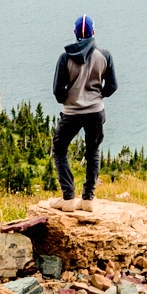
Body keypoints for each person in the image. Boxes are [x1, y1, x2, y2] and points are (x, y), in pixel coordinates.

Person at [51, 14, 117, 208]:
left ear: (74, 33)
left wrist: (68, 99)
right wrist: (98, 96)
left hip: (71, 112)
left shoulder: (65, 58)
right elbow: (112, 86)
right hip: (95, 111)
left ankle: (68, 197)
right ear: (93, 32)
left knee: (60, 149)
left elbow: (57, 90)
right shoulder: (104, 56)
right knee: (93, 151)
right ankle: (88, 198)